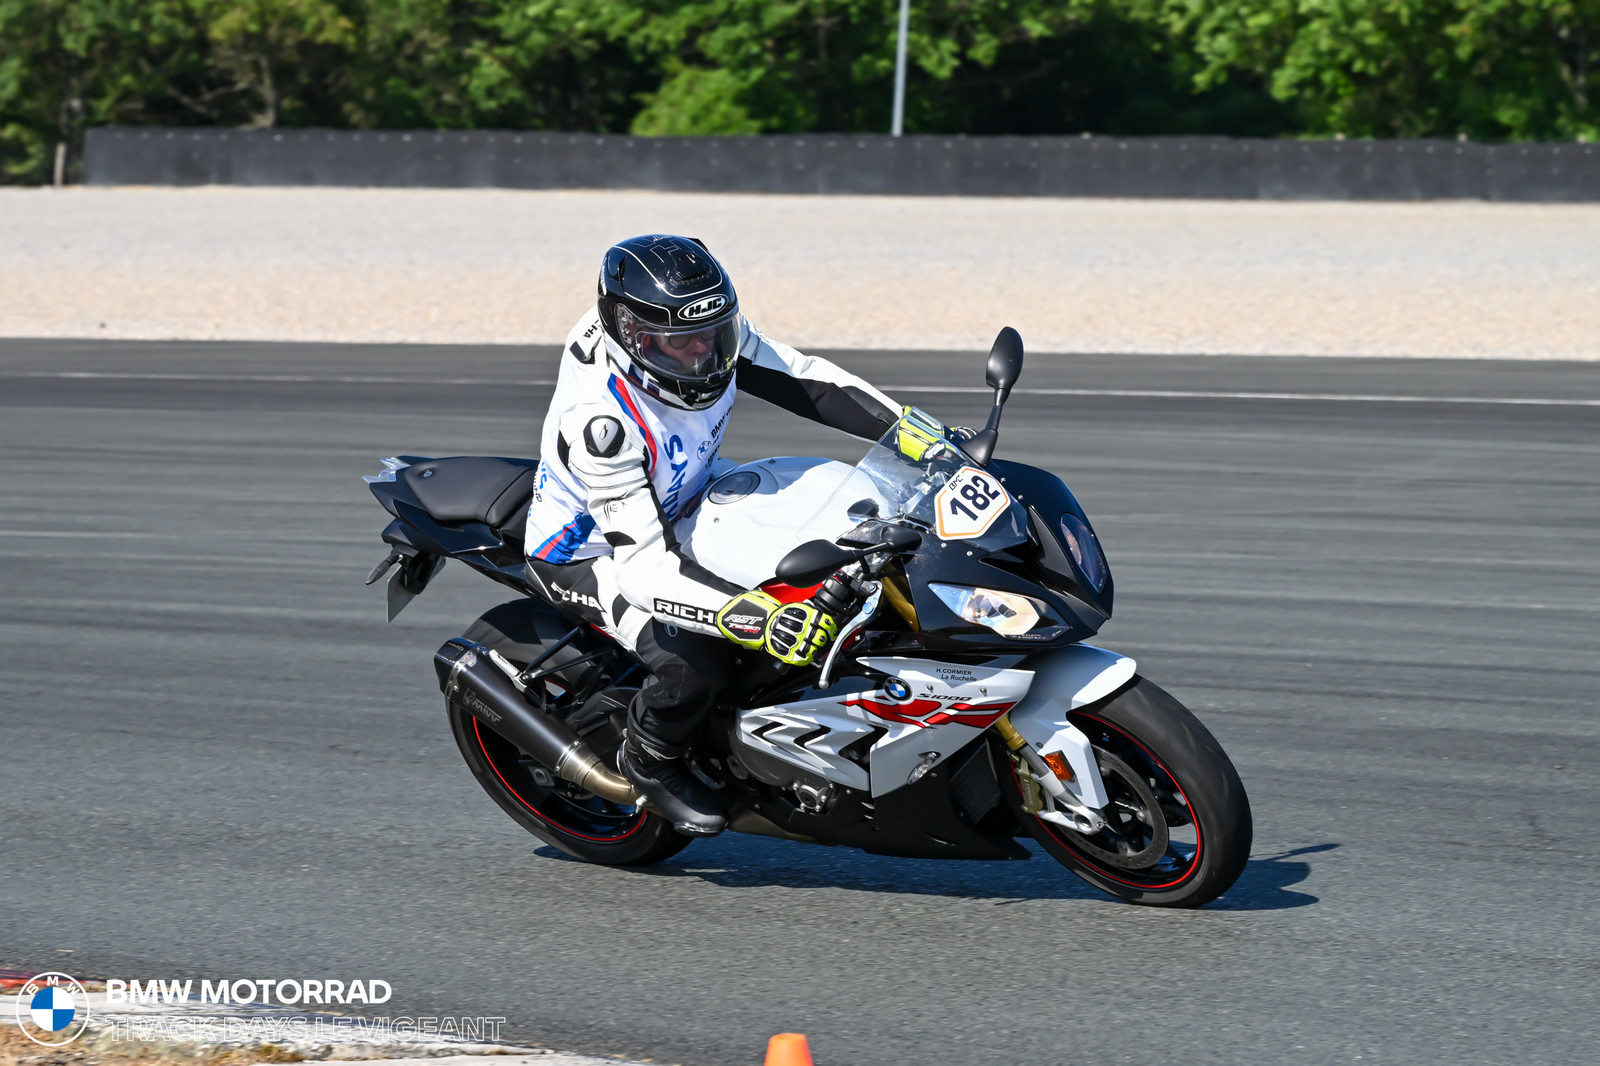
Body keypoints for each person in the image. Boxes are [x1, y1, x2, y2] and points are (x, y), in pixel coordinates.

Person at [524, 234, 902, 836]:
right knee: (697, 659)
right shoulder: (602, 424)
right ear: (631, 337)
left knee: (846, 525)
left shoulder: (695, 326)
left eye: (714, 335)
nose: (703, 354)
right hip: (590, 548)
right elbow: (646, 572)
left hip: (688, 491)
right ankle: (649, 757)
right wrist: (752, 617)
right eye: (681, 344)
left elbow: (806, 380)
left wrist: (914, 433)